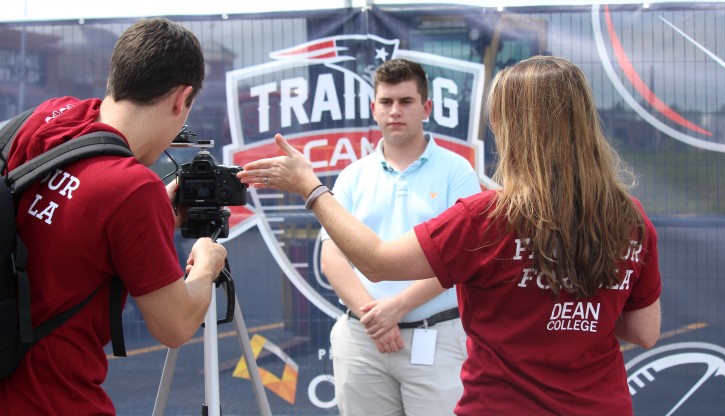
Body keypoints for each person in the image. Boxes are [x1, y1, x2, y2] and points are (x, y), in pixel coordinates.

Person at [238, 55, 662, 415]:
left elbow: (378, 262)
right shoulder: (631, 219)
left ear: (510, 126)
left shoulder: (490, 217)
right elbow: (644, 331)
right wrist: (578, 312)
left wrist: (311, 189)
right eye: (386, 101)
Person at [0, 18, 227, 415]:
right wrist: (206, 267)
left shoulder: (49, 117)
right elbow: (174, 326)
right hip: (53, 401)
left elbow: (68, 219)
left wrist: (151, 216)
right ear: (181, 99)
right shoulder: (133, 190)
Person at [319, 58, 479, 415]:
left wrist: (398, 307)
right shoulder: (351, 177)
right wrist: (374, 317)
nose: (395, 111)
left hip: (434, 338)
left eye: (406, 102)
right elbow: (331, 257)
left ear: (426, 108)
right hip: (362, 339)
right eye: (386, 102)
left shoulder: (458, 172)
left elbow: (463, 258)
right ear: (373, 108)